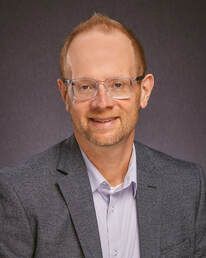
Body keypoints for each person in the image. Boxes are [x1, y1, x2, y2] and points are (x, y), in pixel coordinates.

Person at [0, 13, 206, 258]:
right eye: (86, 86)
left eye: (118, 85)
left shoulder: (189, 187)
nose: (102, 102)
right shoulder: (19, 193)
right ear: (65, 94)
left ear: (144, 91)